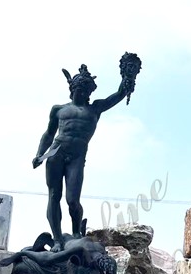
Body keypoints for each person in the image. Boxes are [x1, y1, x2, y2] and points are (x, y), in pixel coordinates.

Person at [33, 57, 140, 251]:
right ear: (72, 89)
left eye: (86, 91)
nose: (82, 94)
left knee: (72, 200)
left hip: (77, 156)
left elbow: (119, 94)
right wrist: (39, 154)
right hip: (56, 153)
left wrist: (128, 77)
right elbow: (48, 134)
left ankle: (75, 232)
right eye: (79, 90)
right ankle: (57, 240)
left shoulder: (95, 108)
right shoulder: (58, 110)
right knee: (53, 195)